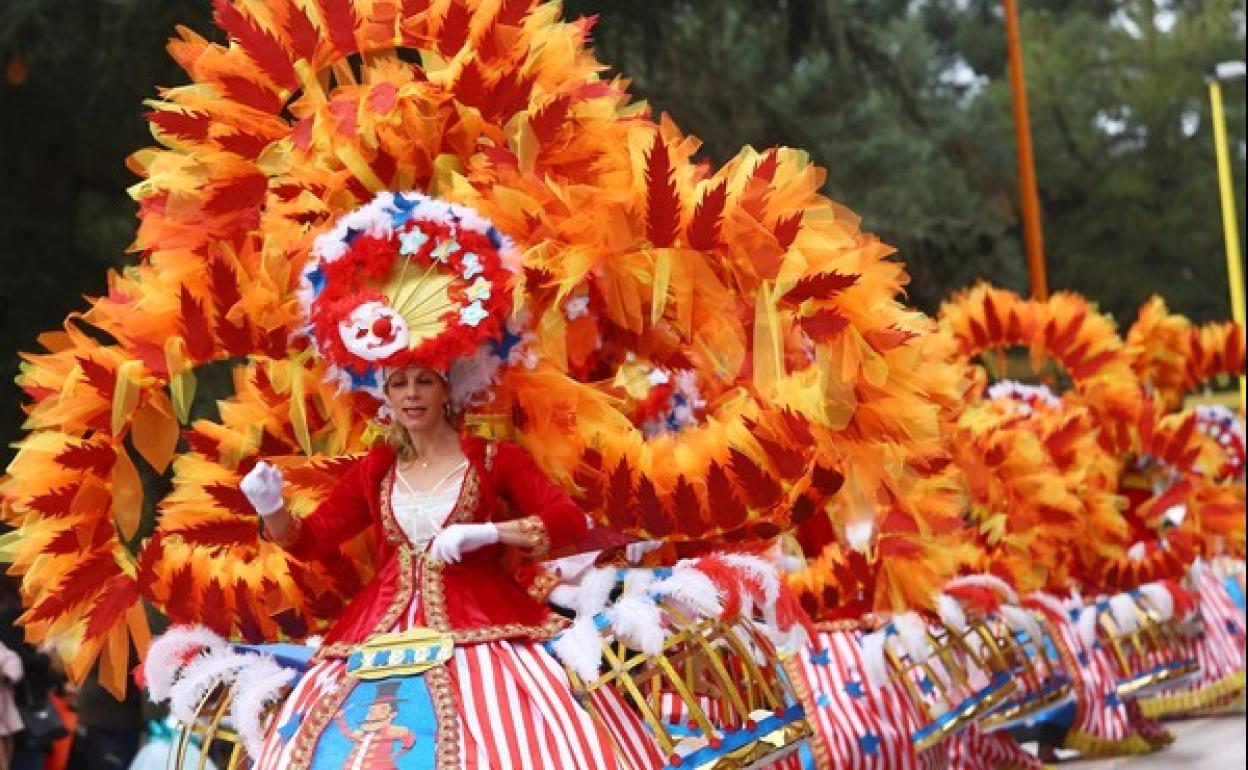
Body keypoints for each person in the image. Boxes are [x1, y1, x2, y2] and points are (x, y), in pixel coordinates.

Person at [235, 193, 641, 770]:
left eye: (422, 382)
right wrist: (272, 509)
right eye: (398, 385)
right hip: (377, 632)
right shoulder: (374, 468)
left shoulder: (495, 460)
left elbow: (566, 521)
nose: (410, 397)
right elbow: (309, 541)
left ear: (447, 386)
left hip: (486, 632)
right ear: (385, 395)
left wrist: (490, 534)